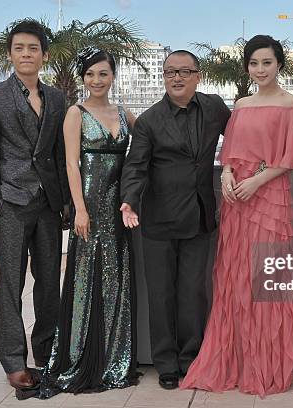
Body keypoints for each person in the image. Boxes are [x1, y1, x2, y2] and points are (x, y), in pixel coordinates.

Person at [180, 35, 293, 397]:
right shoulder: (240, 104)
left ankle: (265, 367)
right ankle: (234, 364)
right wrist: (225, 175)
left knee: (265, 283)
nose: (260, 69)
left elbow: (290, 159)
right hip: (237, 200)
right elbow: (229, 154)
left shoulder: (289, 105)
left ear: (279, 64)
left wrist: (256, 181)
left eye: (266, 62)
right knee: (234, 282)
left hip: (269, 199)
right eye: (254, 64)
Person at [30, 47, 139, 399]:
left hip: (117, 208)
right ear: (82, 78)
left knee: (115, 279)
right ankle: (80, 356)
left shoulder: (124, 113)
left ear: (113, 76)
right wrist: (79, 208)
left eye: (103, 74)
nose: (97, 80)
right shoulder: (75, 114)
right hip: (88, 209)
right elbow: (72, 165)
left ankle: (114, 358)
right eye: (90, 74)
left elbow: (150, 140)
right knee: (86, 279)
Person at [120, 50, 231, 390]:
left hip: (199, 217)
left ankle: (192, 359)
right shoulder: (150, 121)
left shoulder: (214, 108)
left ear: (198, 76)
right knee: (162, 295)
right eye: (170, 72)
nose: (177, 78)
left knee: (193, 294)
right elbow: (136, 166)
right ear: (164, 78)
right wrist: (129, 200)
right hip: (159, 219)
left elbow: (242, 134)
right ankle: (166, 363)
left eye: (185, 71)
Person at [0, 19, 70, 396]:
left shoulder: (58, 99)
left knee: (49, 284)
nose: (26, 54)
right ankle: (14, 361)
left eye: (33, 49)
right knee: (10, 284)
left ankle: (46, 352)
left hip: (47, 204)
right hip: (12, 203)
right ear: (11, 54)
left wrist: (63, 201)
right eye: (19, 49)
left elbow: (61, 155)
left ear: (44, 55)